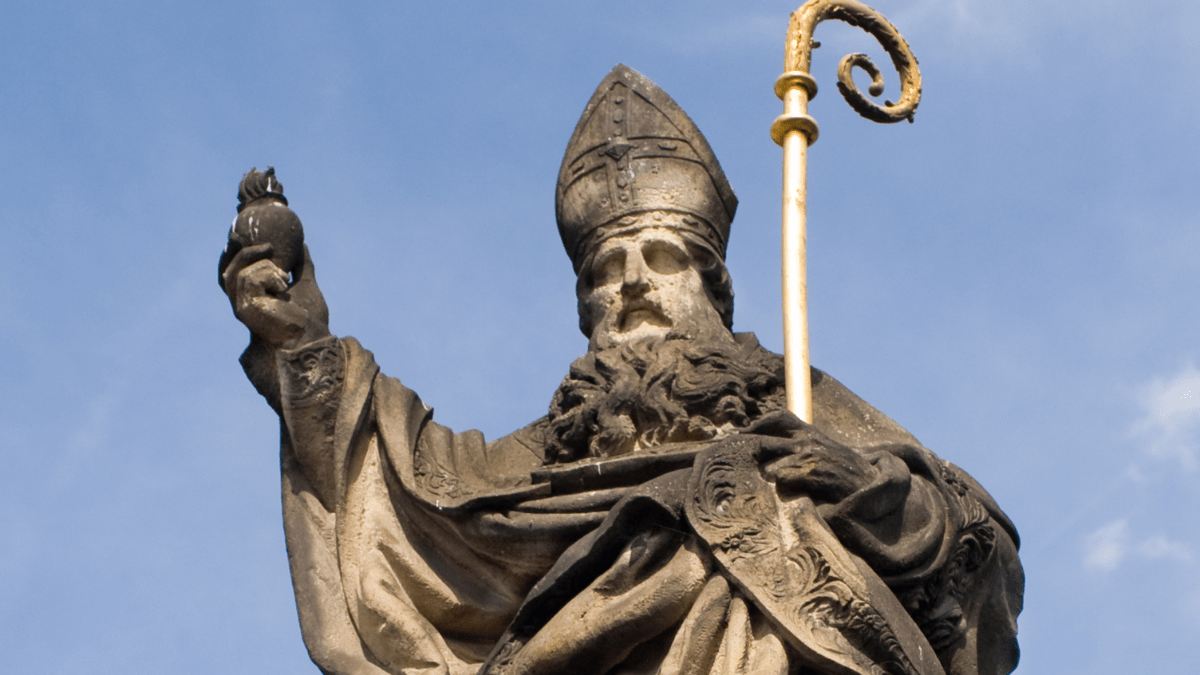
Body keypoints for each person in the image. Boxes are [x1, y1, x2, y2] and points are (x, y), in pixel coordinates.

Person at [220, 65, 1022, 675]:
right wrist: (300, 346)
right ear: (586, 306)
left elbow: (976, 541)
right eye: (607, 269)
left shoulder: (797, 404)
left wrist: (856, 485)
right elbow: (420, 487)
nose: (633, 281)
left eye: (661, 257)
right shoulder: (549, 456)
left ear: (716, 289)